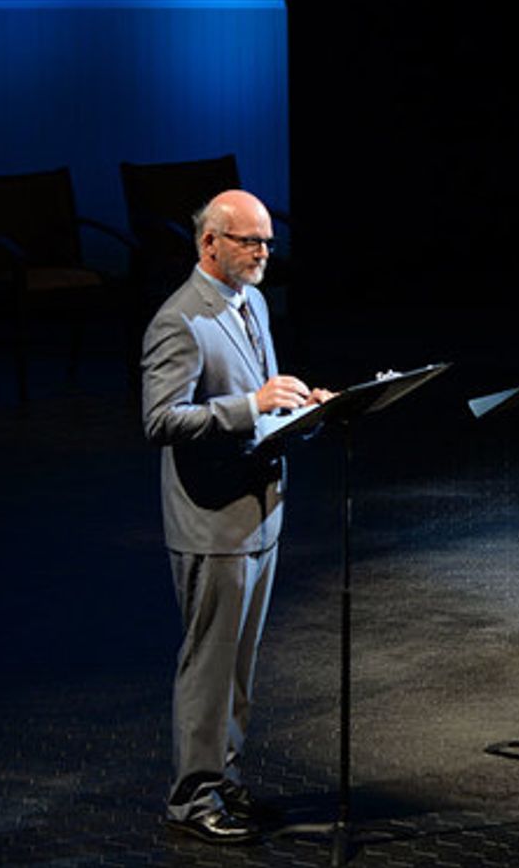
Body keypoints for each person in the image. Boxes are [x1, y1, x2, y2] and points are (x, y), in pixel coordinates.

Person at [141, 189, 331, 844]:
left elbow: (262, 403)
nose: (262, 253)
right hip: (212, 522)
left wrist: (301, 408)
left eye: (268, 242)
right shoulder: (179, 318)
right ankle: (191, 799)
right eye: (250, 241)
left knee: (239, 665)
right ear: (210, 243)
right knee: (209, 664)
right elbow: (161, 418)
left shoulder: (250, 302)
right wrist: (251, 404)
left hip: (260, 514)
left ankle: (224, 779)